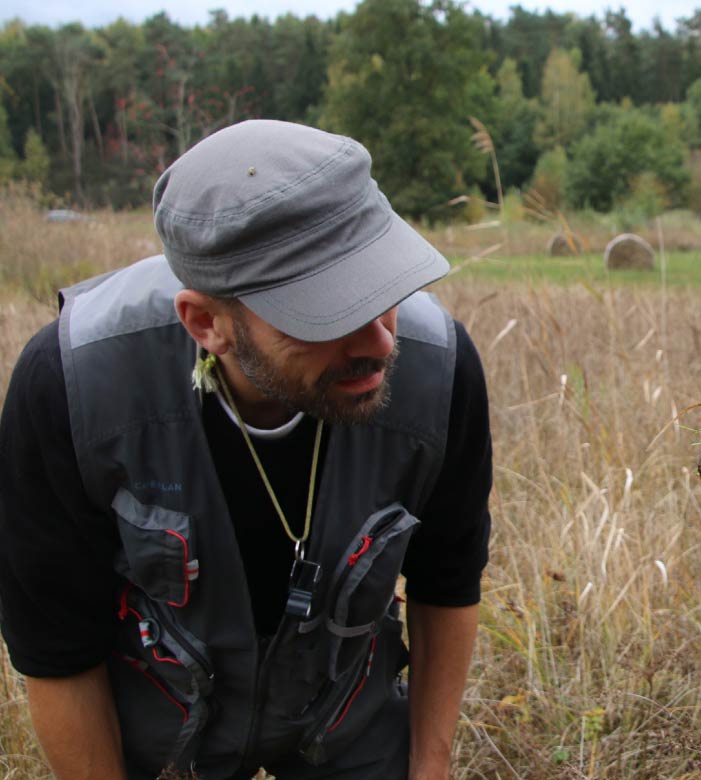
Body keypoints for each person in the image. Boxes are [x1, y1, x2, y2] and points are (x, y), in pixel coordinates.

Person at [0, 120, 492, 780]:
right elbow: (56, 647)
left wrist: (429, 768)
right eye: (328, 312)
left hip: (347, 716)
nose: (380, 342)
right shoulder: (73, 388)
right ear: (206, 323)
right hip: (163, 731)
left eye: (383, 290)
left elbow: (447, 581)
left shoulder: (440, 372)